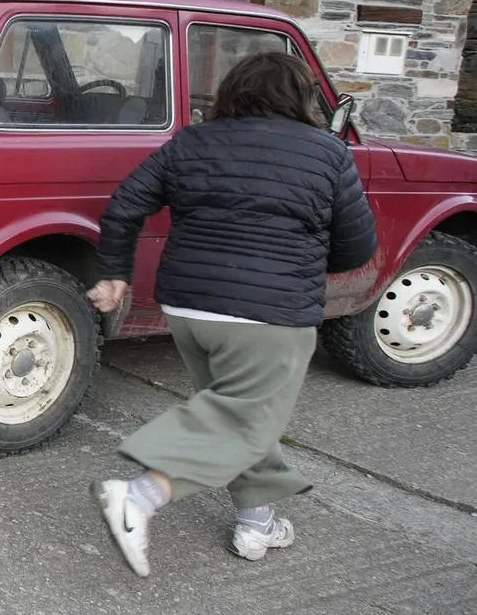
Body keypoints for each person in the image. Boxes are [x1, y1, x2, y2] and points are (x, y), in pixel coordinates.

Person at [87, 52, 378, 577]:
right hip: (270, 315)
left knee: (237, 413)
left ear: (233, 92)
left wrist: (115, 272)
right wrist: (300, 261)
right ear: (301, 97)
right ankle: (140, 496)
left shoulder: (192, 142)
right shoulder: (328, 154)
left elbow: (125, 203)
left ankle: (257, 520)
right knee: (242, 422)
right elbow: (357, 248)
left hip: (188, 309)